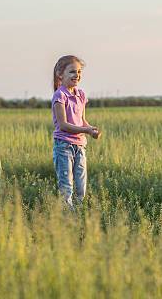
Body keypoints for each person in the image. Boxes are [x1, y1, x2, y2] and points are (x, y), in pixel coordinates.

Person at [51, 55, 101, 209]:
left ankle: (79, 216)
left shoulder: (81, 95)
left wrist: (91, 129)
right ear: (61, 74)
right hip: (64, 146)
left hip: (80, 147)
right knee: (66, 187)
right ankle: (68, 219)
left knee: (81, 188)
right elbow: (64, 125)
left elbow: (82, 121)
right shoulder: (60, 95)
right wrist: (85, 130)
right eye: (72, 72)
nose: (77, 75)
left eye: (79, 72)